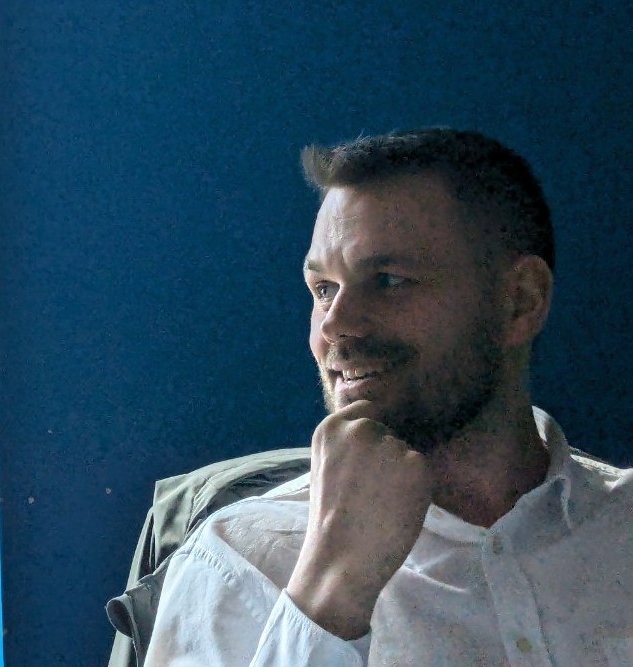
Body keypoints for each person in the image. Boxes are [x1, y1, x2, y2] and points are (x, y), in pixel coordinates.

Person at [142, 128, 632, 665]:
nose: (336, 325)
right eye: (323, 289)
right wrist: (329, 592)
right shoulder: (238, 560)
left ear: (520, 302)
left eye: (389, 280)